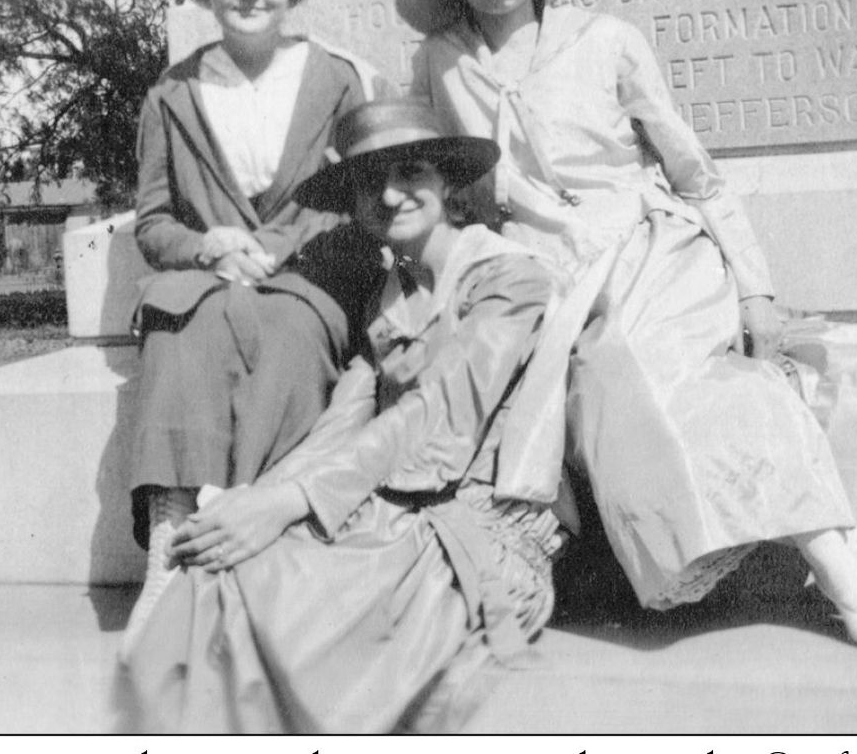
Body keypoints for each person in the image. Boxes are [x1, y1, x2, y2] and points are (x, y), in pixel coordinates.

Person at [398, 0, 857, 653]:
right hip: (548, 279)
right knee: (611, 376)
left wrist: (758, 291)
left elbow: (696, 172)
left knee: (659, 369)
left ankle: (837, 567)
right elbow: (430, 183)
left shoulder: (606, 41)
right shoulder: (439, 62)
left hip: (649, 249)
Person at [120, 99, 577, 733]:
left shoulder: (507, 280)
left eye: (411, 173)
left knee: (281, 623)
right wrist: (259, 498)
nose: (389, 196)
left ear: (446, 182)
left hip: (478, 530)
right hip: (393, 506)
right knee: (226, 571)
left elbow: (437, 412)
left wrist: (291, 503)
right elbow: (344, 419)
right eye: (368, 182)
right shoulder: (390, 294)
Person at [123, 0, 390, 647]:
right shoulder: (171, 95)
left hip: (310, 273)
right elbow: (152, 223)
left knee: (287, 325)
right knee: (183, 324)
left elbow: (360, 196)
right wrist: (210, 246)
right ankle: (171, 546)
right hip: (207, 278)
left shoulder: (337, 79)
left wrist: (279, 243)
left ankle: (259, 547)